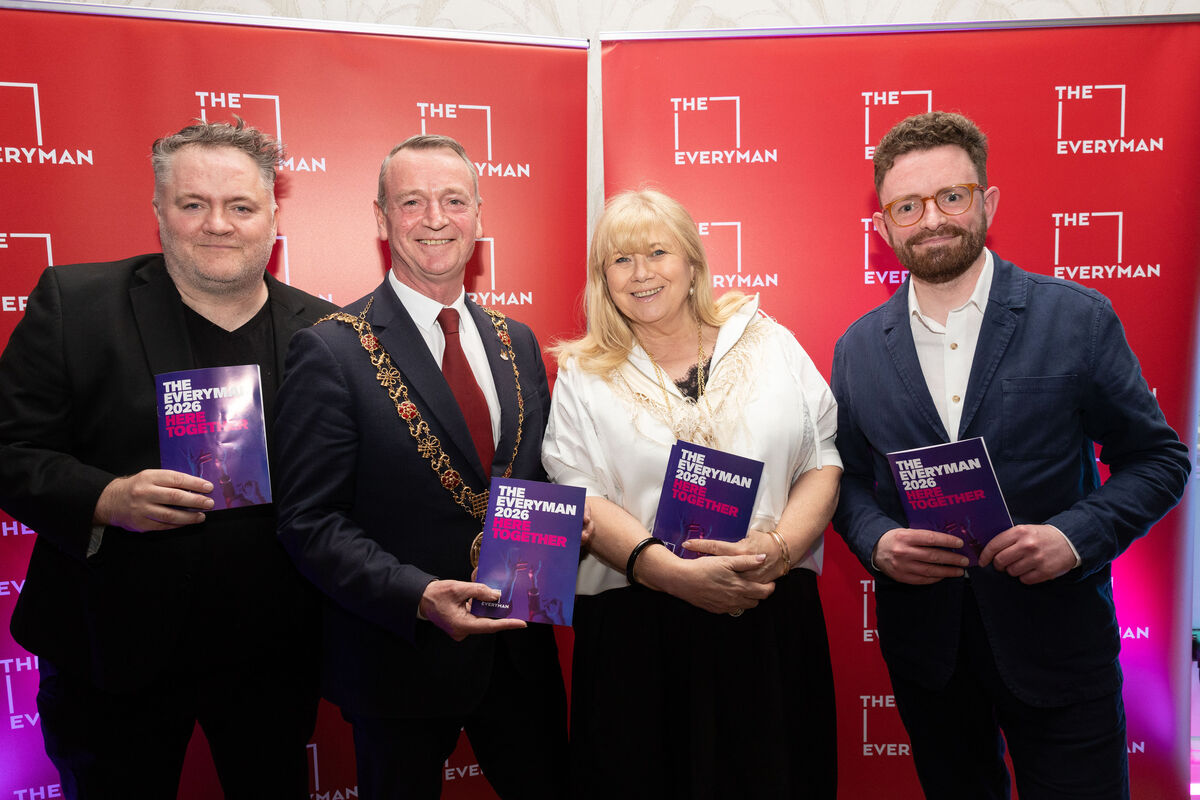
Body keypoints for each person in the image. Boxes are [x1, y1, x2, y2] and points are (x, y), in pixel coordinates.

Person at [831, 111, 1191, 800]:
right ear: (883, 227)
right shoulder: (857, 350)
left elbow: (1158, 460)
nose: (931, 219)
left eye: (952, 197)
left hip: (1060, 647)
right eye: (908, 205)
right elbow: (844, 479)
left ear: (987, 203)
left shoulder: (1076, 319)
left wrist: (1071, 536)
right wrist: (876, 540)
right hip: (930, 659)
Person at [0, 118, 332, 797]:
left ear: (271, 215)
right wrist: (104, 499)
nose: (218, 224)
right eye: (192, 204)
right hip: (111, 652)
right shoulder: (77, 305)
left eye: (240, 206)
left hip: (272, 657)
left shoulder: (327, 331)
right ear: (159, 211)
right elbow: (10, 447)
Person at [274, 134, 568, 799]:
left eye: (454, 200)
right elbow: (308, 521)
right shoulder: (331, 350)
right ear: (381, 220)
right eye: (412, 201)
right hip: (397, 659)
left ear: (479, 217)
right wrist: (416, 595)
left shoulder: (515, 340)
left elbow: (531, 484)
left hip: (518, 656)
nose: (436, 218)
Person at [542, 189, 842, 799]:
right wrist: (668, 573)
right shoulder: (582, 371)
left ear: (693, 264)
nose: (643, 272)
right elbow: (578, 489)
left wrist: (779, 549)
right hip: (637, 626)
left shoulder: (767, 342)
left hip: (766, 607)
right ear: (603, 279)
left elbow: (823, 460)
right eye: (621, 260)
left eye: (658, 252)